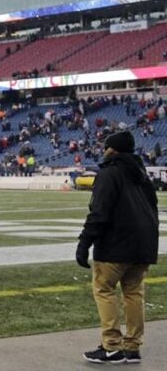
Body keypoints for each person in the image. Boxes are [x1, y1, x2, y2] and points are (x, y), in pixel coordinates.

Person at [76, 130, 159, 364]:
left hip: (116, 243)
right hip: (143, 244)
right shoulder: (142, 176)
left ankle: (111, 345)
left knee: (104, 288)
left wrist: (84, 243)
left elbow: (99, 212)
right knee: (134, 292)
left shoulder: (109, 173)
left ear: (112, 149)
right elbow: (153, 209)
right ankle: (132, 347)